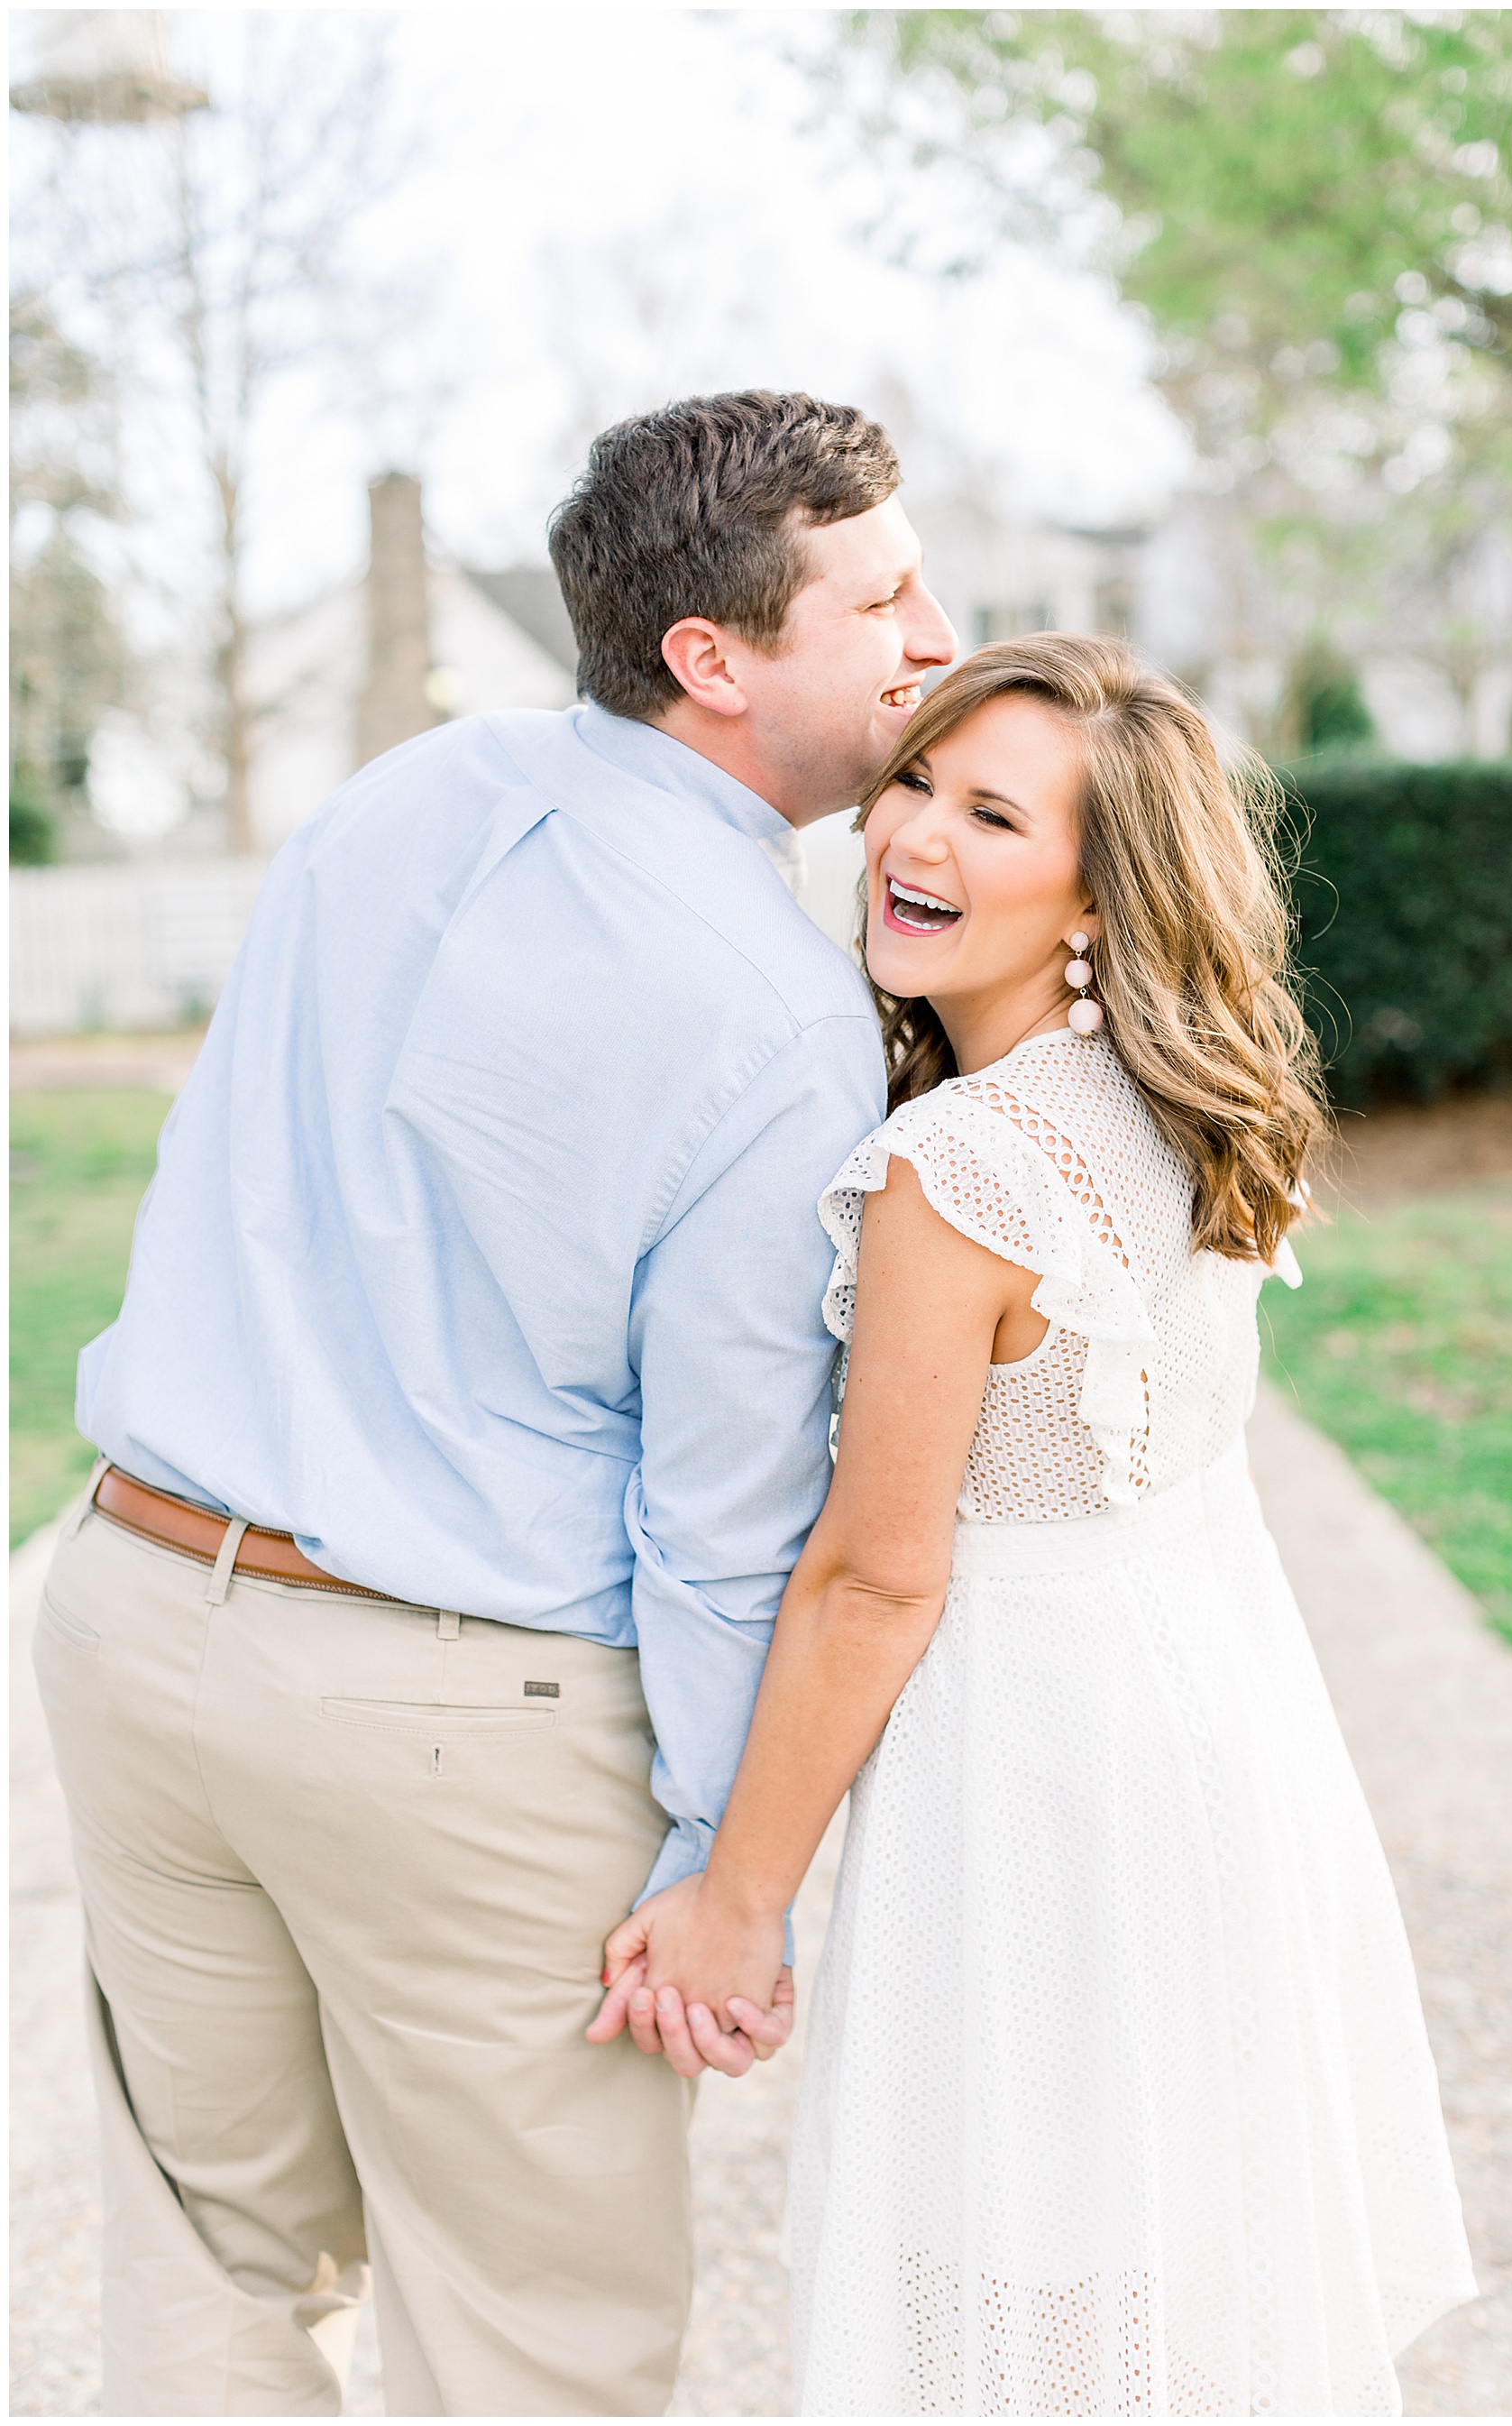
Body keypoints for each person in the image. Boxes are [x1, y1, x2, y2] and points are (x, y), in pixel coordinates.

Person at [35, 390, 956, 2417]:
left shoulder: (401, 795)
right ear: (714, 660)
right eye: (883, 597)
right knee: (536, 2348)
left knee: (211, 2273)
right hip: (446, 1715)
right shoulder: (775, 1005)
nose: (932, 636)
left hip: (133, 1610)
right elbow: (724, 1510)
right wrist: (731, 1869)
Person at [596, 634, 1478, 2416]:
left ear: (1097, 893)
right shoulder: (1174, 1101)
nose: (913, 832)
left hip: (1040, 1792)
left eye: (996, 814)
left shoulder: (966, 1167)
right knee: (1152, 2274)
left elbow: (874, 1574)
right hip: (1211, 1743)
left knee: (1015, 2278)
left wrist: (736, 1898)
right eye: (915, 780)